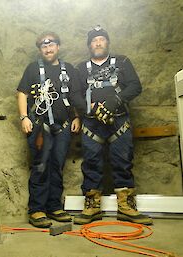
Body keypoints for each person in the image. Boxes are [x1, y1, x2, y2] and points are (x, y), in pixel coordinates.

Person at [73, 25, 153, 225]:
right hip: (92, 125)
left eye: (101, 39)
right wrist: (88, 108)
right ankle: (92, 207)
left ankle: (127, 208)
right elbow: (74, 94)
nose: (98, 43)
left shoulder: (123, 62)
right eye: (94, 40)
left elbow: (135, 86)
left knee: (123, 162)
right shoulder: (81, 68)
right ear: (89, 45)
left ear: (107, 42)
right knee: (91, 163)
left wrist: (114, 101)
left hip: (119, 122)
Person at [17, 31, 82, 228]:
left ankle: (54, 206)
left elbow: (75, 96)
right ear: (40, 50)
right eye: (44, 46)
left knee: (57, 166)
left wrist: (77, 117)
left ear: (58, 47)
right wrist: (24, 117)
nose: (48, 49)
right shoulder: (32, 69)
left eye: (51, 45)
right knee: (41, 166)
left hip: (62, 127)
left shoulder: (68, 69)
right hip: (40, 127)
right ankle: (37, 209)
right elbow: (22, 94)